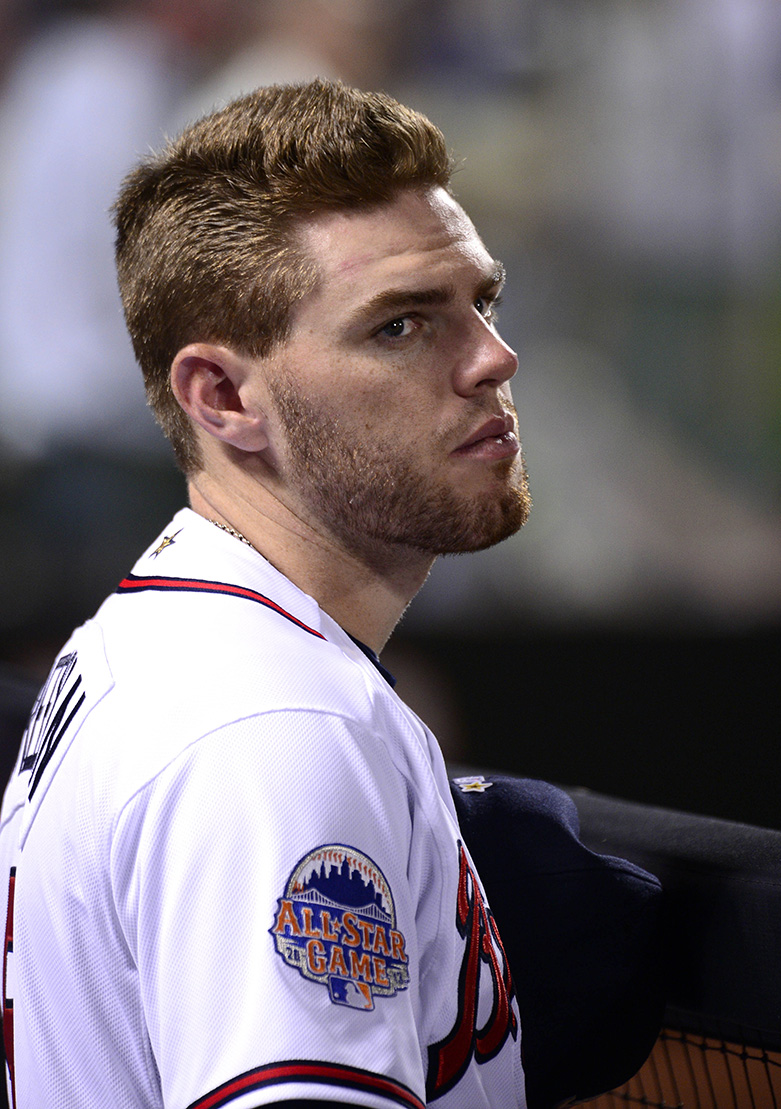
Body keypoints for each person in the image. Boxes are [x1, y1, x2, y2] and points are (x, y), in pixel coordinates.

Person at [0, 80, 663, 1109]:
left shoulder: (163, 629)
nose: (492, 358)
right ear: (222, 397)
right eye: (399, 326)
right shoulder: (269, 725)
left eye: (476, 303)